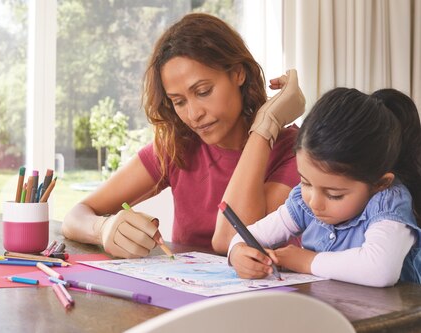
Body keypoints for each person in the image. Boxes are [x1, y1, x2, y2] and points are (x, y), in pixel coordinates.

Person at [62, 13, 305, 258]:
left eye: (203, 91)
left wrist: (265, 129)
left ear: (238, 74)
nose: (193, 114)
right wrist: (103, 229)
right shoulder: (179, 146)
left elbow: (231, 239)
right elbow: (76, 216)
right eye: (178, 101)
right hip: (187, 292)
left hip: (272, 294)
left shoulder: (294, 151)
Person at [228, 87, 421, 287]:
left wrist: (306, 260)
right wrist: (239, 253)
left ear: (380, 184)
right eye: (306, 182)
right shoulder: (305, 201)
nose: (314, 202)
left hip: (390, 316)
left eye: (334, 195)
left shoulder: (388, 202)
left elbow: (380, 270)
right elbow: (248, 236)